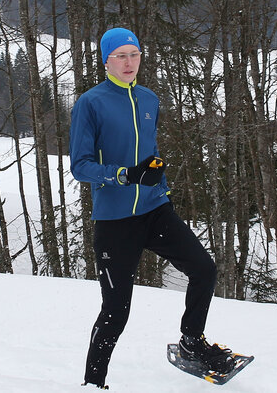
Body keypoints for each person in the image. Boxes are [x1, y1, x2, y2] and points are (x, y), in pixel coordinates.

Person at [69, 28, 235, 388]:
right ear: (106, 60)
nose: (129, 63)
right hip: (115, 220)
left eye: (135, 54)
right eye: (120, 56)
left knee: (204, 269)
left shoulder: (148, 99)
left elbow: (151, 150)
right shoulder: (91, 103)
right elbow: (80, 165)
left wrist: (156, 178)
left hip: (154, 210)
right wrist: (125, 175)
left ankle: (191, 342)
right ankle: (92, 384)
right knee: (116, 312)